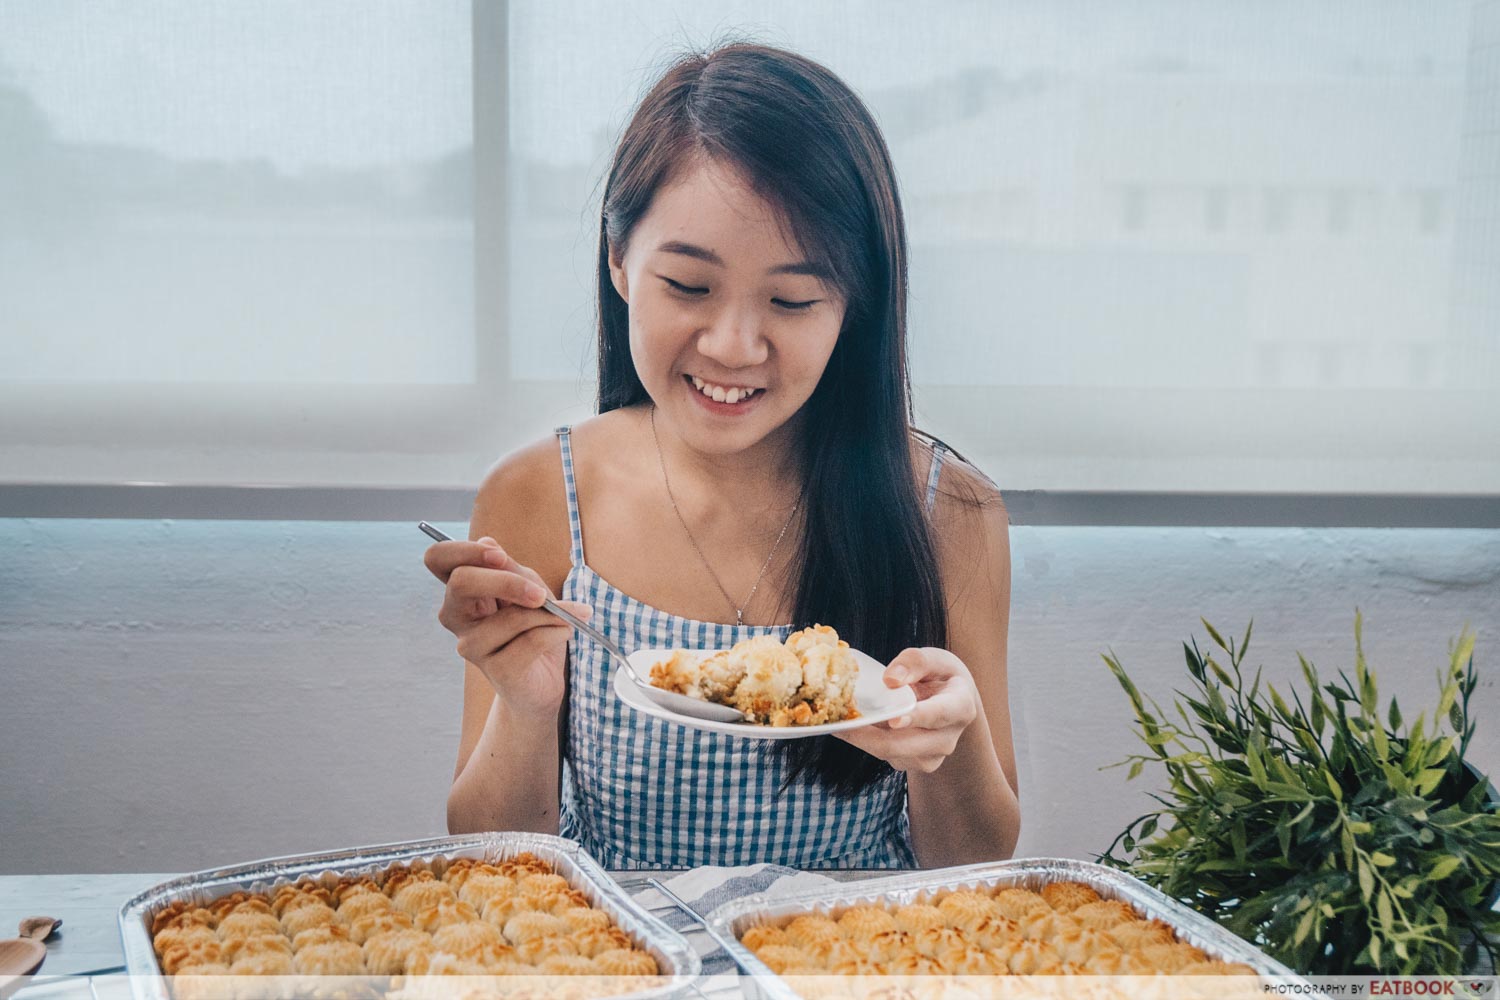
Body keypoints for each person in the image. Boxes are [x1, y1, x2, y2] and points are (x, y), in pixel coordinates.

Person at [424, 42, 1019, 870]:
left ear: (854, 305)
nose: (735, 346)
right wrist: (526, 707)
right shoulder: (536, 496)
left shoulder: (947, 513)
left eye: (792, 299)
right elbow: (498, 865)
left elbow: (976, 869)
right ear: (620, 262)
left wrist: (951, 739)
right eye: (690, 287)